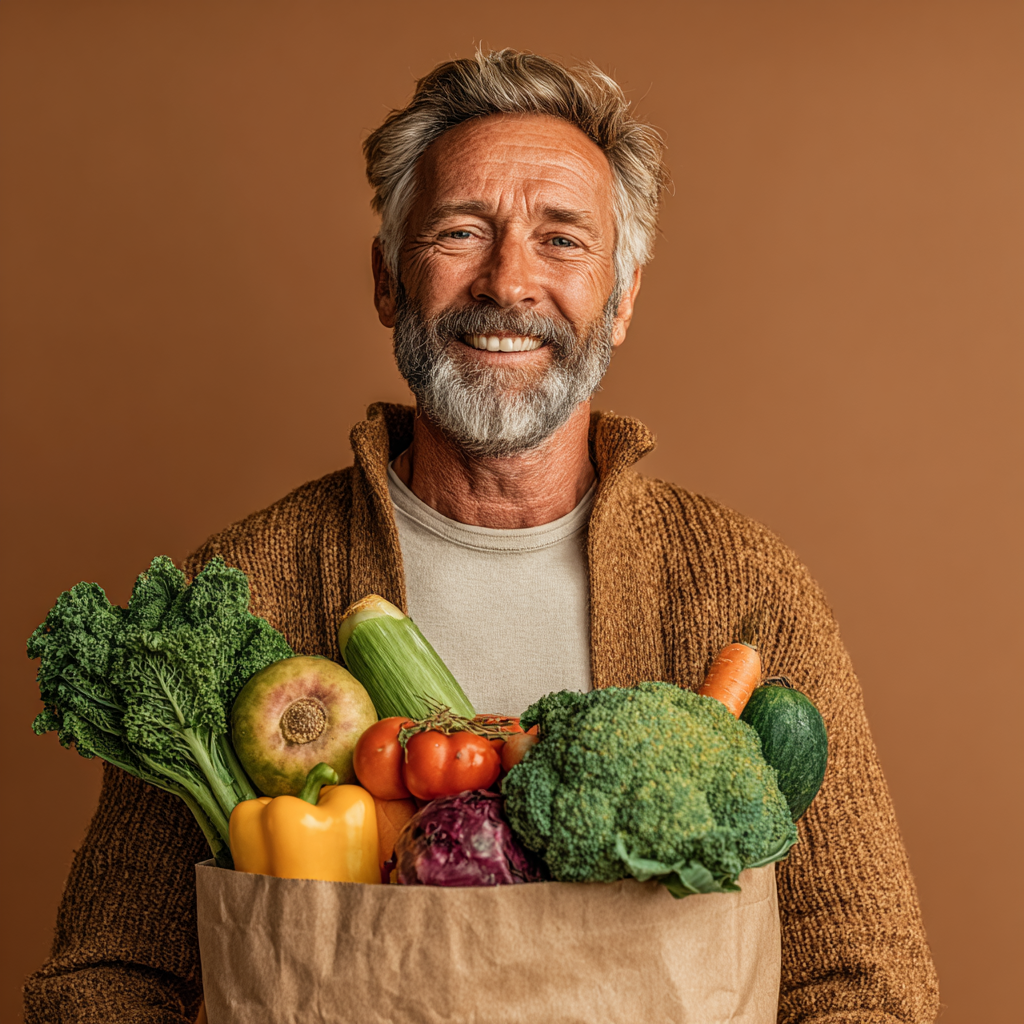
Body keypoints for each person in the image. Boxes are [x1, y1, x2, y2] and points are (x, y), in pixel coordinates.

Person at [25, 49, 939, 1023]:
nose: (508, 284)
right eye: (461, 231)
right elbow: (107, 983)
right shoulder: (247, 584)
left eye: (561, 241)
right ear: (387, 278)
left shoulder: (743, 589)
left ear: (621, 298)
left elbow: (863, 982)